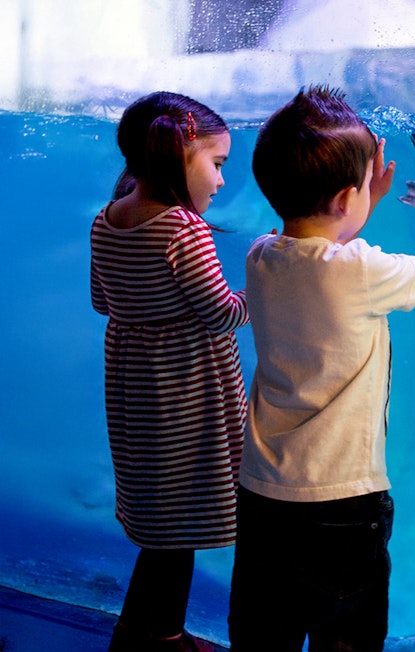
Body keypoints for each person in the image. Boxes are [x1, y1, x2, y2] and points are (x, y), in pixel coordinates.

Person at [227, 85, 415, 651]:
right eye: (363, 185)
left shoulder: (261, 258)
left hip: (263, 495)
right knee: (346, 640)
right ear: (342, 200)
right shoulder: (360, 271)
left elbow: (318, 249)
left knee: (264, 634)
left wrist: (363, 198)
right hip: (344, 504)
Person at [90, 91, 249, 652]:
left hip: (137, 388)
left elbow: (102, 302)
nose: (222, 181)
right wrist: (268, 287)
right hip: (188, 393)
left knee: (161, 527)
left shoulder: (106, 220)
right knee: (180, 527)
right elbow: (223, 312)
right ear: (181, 152)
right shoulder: (184, 229)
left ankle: (139, 631)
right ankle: (162, 639)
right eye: (218, 163)